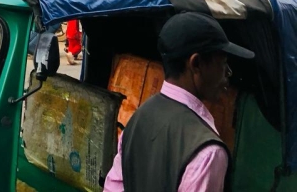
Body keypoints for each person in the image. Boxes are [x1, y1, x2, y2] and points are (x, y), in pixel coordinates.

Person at [103, 11, 254, 192]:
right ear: (196, 64)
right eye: (223, 63)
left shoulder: (138, 118)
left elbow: (113, 187)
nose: (227, 74)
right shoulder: (207, 153)